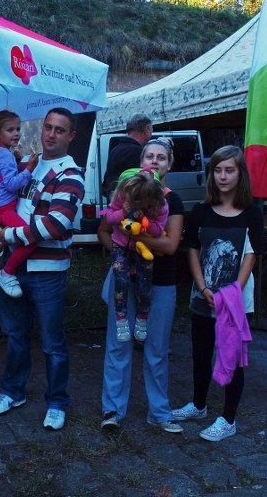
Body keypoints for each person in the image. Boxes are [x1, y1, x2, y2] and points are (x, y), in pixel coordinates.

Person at [0, 107, 84, 431]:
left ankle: (57, 402)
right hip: (13, 267)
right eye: (48, 127)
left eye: (60, 129)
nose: (51, 134)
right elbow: (9, 203)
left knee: (52, 343)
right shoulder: (28, 165)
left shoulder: (70, 174)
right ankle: (12, 392)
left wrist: (8, 235)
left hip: (47, 272)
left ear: (71, 135)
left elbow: (55, 224)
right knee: (15, 336)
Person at [172, 145, 264, 442]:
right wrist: (202, 287)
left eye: (229, 170)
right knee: (200, 354)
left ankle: (228, 419)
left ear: (240, 174)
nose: (223, 176)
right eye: (217, 170)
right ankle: (198, 405)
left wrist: (233, 292)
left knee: (232, 358)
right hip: (203, 298)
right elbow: (193, 250)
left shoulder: (252, 213)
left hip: (235, 302)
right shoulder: (200, 212)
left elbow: (251, 254)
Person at [100, 137, 185, 433]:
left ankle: (159, 412)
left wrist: (132, 237)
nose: (154, 161)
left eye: (161, 157)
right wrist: (119, 257)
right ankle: (112, 411)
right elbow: (104, 230)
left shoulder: (172, 200)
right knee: (118, 346)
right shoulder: (127, 191)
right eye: (149, 156)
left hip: (160, 283)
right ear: (141, 162)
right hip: (125, 282)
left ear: (169, 165)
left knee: (156, 349)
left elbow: (170, 245)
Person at [105, 168, 168, 343]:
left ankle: (142, 315)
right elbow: (109, 219)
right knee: (121, 281)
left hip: (144, 248)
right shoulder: (123, 194)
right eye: (133, 200)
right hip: (121, 245)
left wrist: (143, 221)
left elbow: (158, 231)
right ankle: (121, 317)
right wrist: (123, 213)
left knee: (144, 283)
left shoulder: (161, 205)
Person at [0, 110, 39, 298]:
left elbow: (1, 177)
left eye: (17, 129)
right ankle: (7, 273)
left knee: (18, 238)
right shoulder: (4, 155)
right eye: (10, 130)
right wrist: (30, 169)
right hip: (3, 208)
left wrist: (16, 161)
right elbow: (11, 184)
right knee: (30, 238)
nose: (16, 133)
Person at [102, 114, 152, 199]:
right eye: (151, 130)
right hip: (130, 204)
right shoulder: (138, 151)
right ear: (147, 129)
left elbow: (106, 184)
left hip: (115, 203)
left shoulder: (115, 149)